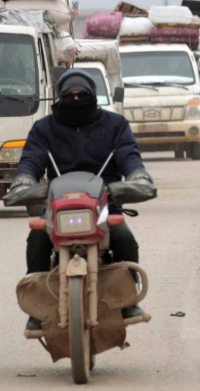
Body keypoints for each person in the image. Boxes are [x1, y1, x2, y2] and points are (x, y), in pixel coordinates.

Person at [10, 69, 154, 331]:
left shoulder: (115, 124)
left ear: (93, 96)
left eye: (82, 95)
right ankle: (38, 308)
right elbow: (31, 160)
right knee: (37, 239)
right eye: (70, 96)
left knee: (124, 239)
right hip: (58, 206)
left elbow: (129, 155)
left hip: (105, 204)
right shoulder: (44, 128)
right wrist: (24, 180)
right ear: (60, 97)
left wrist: (138, 176)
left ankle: (127, 300)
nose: (76, 100)